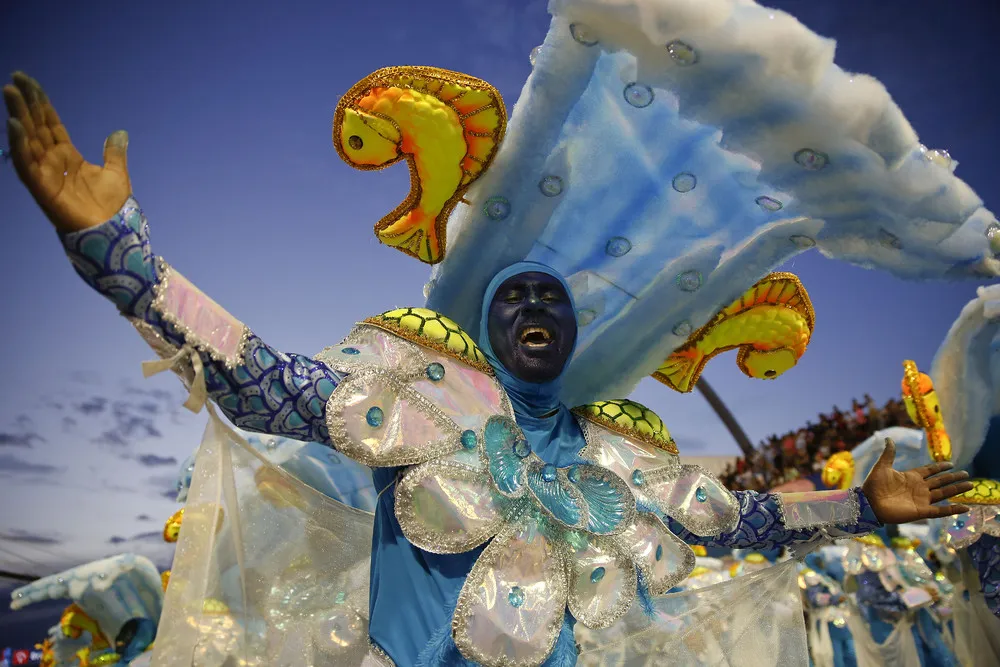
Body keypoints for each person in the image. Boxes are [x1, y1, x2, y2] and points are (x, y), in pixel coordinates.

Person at [3, 70, 978, 666]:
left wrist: (862, 506)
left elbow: (742, 522)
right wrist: (123, 260)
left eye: (553, 298)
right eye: (510, 294)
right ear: (476, 310)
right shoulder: (416, 398)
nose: (532, 310)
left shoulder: (625, 456)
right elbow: (263, 376)